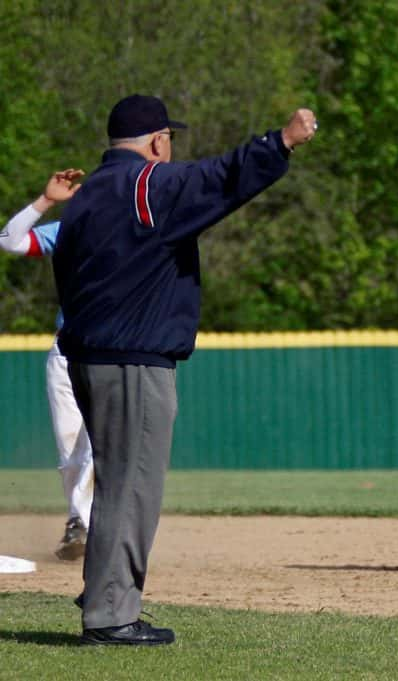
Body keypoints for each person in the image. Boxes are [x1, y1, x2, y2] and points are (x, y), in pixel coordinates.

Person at [53, 94, 318, 646]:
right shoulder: (146, 185)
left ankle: (105, 591)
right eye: (170, 138)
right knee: (132, 489)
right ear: (156, 141)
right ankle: (109, 614)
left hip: (88, 357)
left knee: (116, 486)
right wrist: (281, 143)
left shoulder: (84, 198)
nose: (172, 148)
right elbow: (219, 179)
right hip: (130, 361)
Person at [0, 169, 93, 561]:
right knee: (70, 448)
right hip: (65, 350)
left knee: (98, 442)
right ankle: (80, 522)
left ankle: (92, 523)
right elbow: (9, 240)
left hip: (111, 352)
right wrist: (45, 201)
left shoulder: (135, 234)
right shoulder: (69, 230)